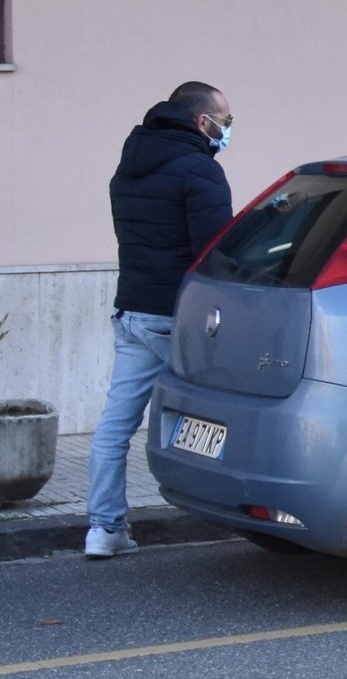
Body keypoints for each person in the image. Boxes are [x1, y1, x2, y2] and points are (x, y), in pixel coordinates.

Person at [85, 81, 234, 558]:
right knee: (221, 418)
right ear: (201, 121)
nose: (228, 130)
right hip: (180, 318)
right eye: (225, 121)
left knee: (115, 425)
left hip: (132, 311)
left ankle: (103, 528)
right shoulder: (201, 172)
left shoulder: (128, 169)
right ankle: (228, 508)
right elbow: (215, 255)